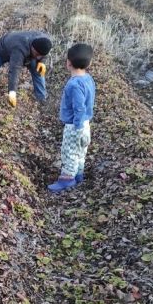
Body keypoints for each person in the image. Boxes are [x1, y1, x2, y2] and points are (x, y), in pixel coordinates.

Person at [48, 43, 96, 193]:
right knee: (81, 152)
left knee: (69, 152)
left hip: (75, 126)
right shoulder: (88, 79)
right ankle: (78, 175)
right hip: (86, 124)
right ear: (89, 63)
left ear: (68, 63)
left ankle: (67, 179)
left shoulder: (74, 85)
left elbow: (79, 107)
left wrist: (77, 127)